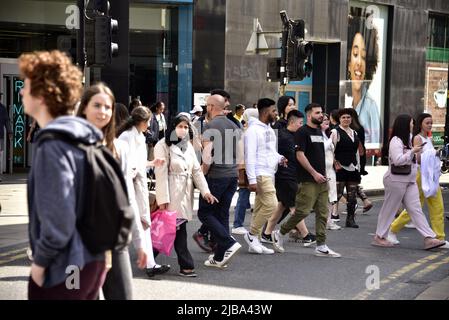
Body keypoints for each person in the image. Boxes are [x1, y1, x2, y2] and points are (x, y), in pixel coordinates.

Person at [20, 50, 107, 299]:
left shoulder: (53, 145)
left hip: (65, 265)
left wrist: (40, 264)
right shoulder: (84, 135)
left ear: (43, 94)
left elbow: (59, 221)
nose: (22, 92)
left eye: (26, 85)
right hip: (92, 259)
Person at [76, 83, 137, 299]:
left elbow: (127, 195)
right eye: (97, 105)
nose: (103, 111)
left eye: (108, 107)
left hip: (114, 239)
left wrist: (140, 242)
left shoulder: (118, 148)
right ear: (84, 108)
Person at [273, 103, 342, 258]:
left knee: (323, 213)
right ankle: (280, 232)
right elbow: (300, 155)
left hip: (322, 179)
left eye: (322, 112)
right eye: (317, 113)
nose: (321, 115)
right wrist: (314, 173)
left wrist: (323, 173)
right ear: (309, 115)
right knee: (302, 211)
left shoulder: (319, 131)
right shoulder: (302, 132)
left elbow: (320, 154)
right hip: (307, 180)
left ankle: (321, 245)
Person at [154, 113, 217, 277]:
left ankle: (147, 258)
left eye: (185, 127)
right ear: (173, 127)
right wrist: (163, 199)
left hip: (185, 193)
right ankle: (186, 265)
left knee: (169, 230)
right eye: (180, 126)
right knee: (176, 230)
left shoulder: (188, 146)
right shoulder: (163, 145)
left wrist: (206, 192)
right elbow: (160, 174)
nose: (183, 130)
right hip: (171, 193)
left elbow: (196, 171)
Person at [371, 114, 445, 250]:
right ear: (405, 124)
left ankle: (429, 238)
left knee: (416, 209)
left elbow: (416, 160)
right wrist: (412, 152)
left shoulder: (410, 139)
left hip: (410, 180)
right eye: (411, 123)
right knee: (390, 209)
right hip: (396, 180)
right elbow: (398, 160)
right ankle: (379, 236)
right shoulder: (396, 141)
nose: (413, 125)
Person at [117, 106, 170, 278]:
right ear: (143, 121)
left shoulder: (137, 135)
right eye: (149, 122)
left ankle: (150, 263)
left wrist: (152, 163)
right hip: (130, 184)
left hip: (137, 183)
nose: (150, 126)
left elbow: (136, 163)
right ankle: (147, 263)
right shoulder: (127, 136)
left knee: (142, 222)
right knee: (136, 223)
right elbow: (126, 164)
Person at [198, 94, 242, 268]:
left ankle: (228, 242)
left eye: (206, 106)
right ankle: (219, 257)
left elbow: (207, 157)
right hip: (232, 176)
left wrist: (200, 175)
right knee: (222, 214)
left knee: (204, 213)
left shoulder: (210, 125)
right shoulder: (235, 125)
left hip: (217, 176)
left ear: (210, 107)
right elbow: (240, 155)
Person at [264, 110, 316, 250]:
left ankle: (267, 233)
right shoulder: (284, 137)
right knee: (295, 207)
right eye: (300, 123)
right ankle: (306, 235)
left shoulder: (295, 136)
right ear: (292, 122)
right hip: (285, 176)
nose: (302, 125)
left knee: (281, 206)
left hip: (292, 175)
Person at [243, 98, 287, 255]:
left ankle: (255, 240)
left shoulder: (268, 129)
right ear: (265, 112)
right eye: (274, 111)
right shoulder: (253, 131)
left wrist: (280, 158)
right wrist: (252, 179)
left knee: (261, 207)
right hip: (260, 173)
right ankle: (252, 234)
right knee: (272, 205)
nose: (276, 114)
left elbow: (270, 151)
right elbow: (249, 156)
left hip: (270, 171)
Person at [346, 12, 381, 145]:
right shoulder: (349, 101)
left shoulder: (371, 106)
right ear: (348, 62)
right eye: (355, 54)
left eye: (364, 57)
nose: (359, 63)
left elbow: (375, 144)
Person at [331, 108, 362, 228]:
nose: (346, 119)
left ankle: (350, 220)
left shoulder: (354, 133)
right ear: (339, 119)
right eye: (343, 117)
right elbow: (330, 150)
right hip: (340, 167)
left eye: (348, 117)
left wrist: (358, 167)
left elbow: (356, 152)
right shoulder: (335, 132)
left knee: (352, 196)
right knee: (337, 195)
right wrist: (334, 162)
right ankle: (329, 217)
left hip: (353, 167)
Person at [346, 108, 373, 213]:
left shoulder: (351, 130)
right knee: (352, 182)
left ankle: (359, 202)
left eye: (347, 117)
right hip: (359, 158)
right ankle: (363, 201)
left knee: (349, 183)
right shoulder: (360, 128)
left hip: (352, 158)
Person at [321, 113, 341, 231]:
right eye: (323, 120)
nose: (326, 121)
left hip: (330, 169)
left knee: (331, 196)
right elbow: (322, 148)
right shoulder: (319, 135)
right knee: (322, 197)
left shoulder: (327, 134)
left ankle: (328, 221)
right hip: (322, 170)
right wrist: (330, 139)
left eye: (327, 119)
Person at [0, 94, 12, 182]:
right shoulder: (3, 108)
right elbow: (7, 121)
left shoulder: (3, 108)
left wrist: (9, 132)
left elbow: (7, 121)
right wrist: (9, 132)